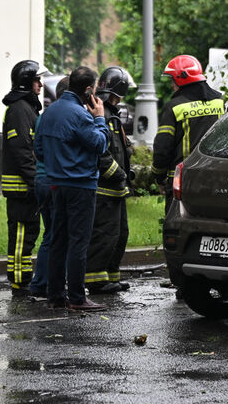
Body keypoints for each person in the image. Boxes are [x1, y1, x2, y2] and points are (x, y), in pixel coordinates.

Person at [34, 66, 110, 312]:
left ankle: (56, 296)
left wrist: (60, 162)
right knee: (78, 242)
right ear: (89, 90)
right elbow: (99, 144)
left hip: (56, 184)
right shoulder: (81, 115)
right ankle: (77, 298)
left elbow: (39, 151)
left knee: (58, 240)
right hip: (81, 185)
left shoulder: (49, 112)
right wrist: (100, 117)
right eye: (95, 88)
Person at [152, 55, 226, 213]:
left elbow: (162, 147)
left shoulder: (174, 107)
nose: (172, 85)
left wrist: (158, 176)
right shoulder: (219, 102)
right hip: (215, 175)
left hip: (183, 178)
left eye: (173, 80)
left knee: (178, 225)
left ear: (181, 79)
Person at [84, 66, 134, 294]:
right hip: (104, 190)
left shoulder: (111, 114)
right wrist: (119, 174)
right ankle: (95, 280)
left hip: (116, 190)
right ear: (118, 91)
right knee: (104, 235)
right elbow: (101, 154)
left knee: (119, 235)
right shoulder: (102, 116)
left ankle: (111, 276)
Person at [1, 60, 45, 296]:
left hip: (27, 184)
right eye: (37, 80)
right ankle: (19, 281)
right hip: (21, 186)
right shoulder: (19, 109)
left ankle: (24, 278)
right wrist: (34, 179)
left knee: (28, 233)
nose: (40, 84)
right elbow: (21, 150)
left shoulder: (27, 108)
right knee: (20, 234)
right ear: (28, 82)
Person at [27, 74, 69, 301]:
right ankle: (47, 284)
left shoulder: (44, 116)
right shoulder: (66, 115)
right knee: (58, 235)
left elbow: (36, 150)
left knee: (50, 234)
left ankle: (41, 283)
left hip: (41, 179)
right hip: (55, 180)